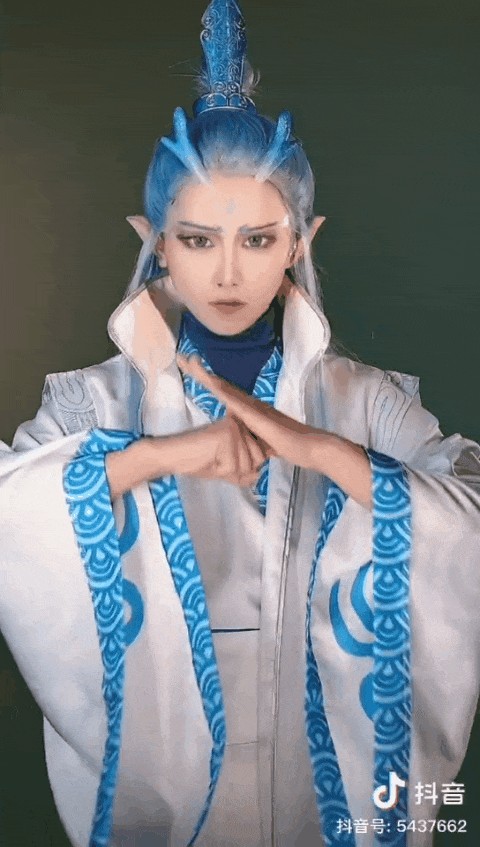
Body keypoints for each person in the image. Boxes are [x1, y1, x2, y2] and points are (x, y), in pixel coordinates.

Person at [1, 1, 479, 846]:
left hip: (313, 777)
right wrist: (158, 455)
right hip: (168, 770)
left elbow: (469, 517)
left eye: (258, 240)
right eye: (197, 239)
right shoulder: (90, 404)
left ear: (300, 241)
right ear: (155, 240)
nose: (227, 273)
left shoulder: (368, 401)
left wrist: (320, 448)